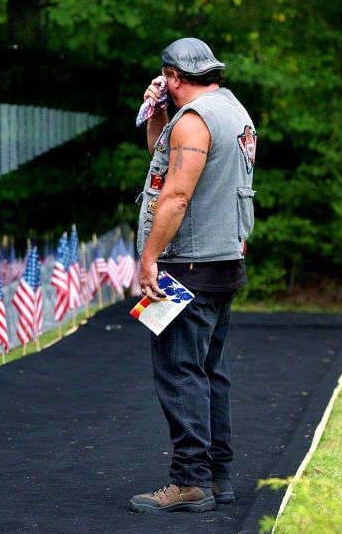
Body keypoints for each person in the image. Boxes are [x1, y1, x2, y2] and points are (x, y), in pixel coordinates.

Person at [129, 37, 257, 513]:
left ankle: (189, 480)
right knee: (209, 371)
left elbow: (176, 195)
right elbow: (163, 164)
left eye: (166, 79)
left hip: (185, 265)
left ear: (174, 77)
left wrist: (149, 259)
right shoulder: (232, 110)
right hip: (224, 261)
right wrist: (158, 115)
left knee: (179, 372)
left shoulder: (195, 121)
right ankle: (218, 476)